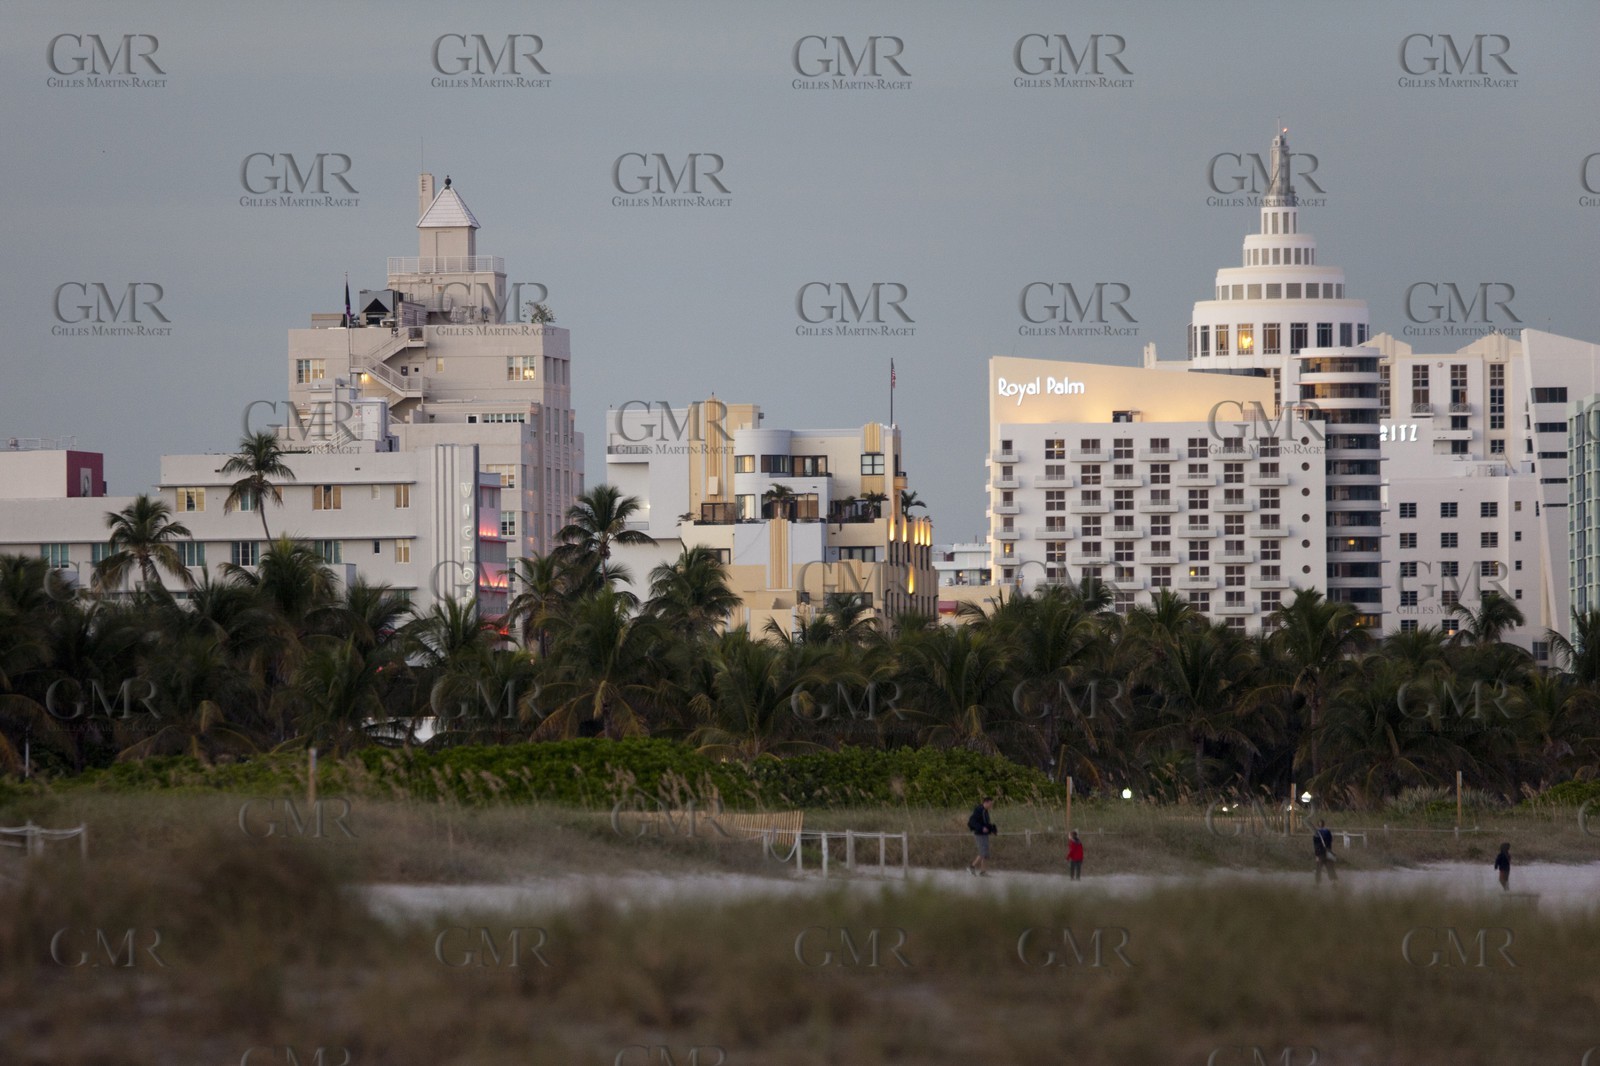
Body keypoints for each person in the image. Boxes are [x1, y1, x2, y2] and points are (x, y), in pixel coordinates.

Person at [967, 797, 997, 876]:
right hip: (979, 834)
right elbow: (972, 821)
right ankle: (972, 867)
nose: (991, 806)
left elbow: (986, 823)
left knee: (986, 853)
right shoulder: (979, 810)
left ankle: (983, 871)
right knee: (983, 852)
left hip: (984, 834)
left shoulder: (985, 811)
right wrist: (981, 828)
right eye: (990, 804)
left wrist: (992, 829)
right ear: (986, 802)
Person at [1312, 819, 1337, 883]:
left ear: (1318, 825)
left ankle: (1317, 883)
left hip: (1320, 853)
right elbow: (1330, 841)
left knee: (1318, 869)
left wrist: (1316, 855)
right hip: (1327, 851)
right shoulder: (1327, 831)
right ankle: (1333, 882)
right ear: (1324, 824)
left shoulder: (1316, 833)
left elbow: (1316, 844)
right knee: (1330, 868)